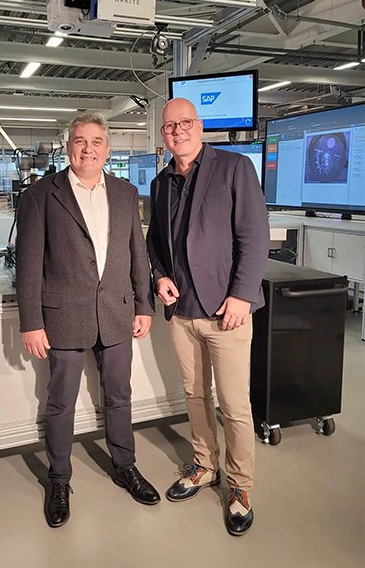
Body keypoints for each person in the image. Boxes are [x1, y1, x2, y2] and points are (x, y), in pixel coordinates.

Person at [16, 113, 160, 528]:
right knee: (60, 402)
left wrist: (144, 305)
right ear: (68, 147)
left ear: (108, 149)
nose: (88, 148)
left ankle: (125, 467)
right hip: (63, 317)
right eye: (80, 141)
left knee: (120, 396)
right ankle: (59, 479)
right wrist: (31, 322)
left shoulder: (125, 192)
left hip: (116, 312)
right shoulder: (41, 195)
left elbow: (137, 254)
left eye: (97, 141)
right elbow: (28, 265)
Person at [146, 98, 270, 536]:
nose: (177, 131)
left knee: (234, 405)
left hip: (226, 312)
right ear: (163, 134)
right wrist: (159, 277)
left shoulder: (234, 168)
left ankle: (240, 487)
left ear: (199, 126)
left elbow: (255, 236)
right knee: (195, 396)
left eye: (185, 123)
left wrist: (241, 295)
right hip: (182, 312)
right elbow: (155, 243)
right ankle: (204, 464)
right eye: (169, 126)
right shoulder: (161, 182)